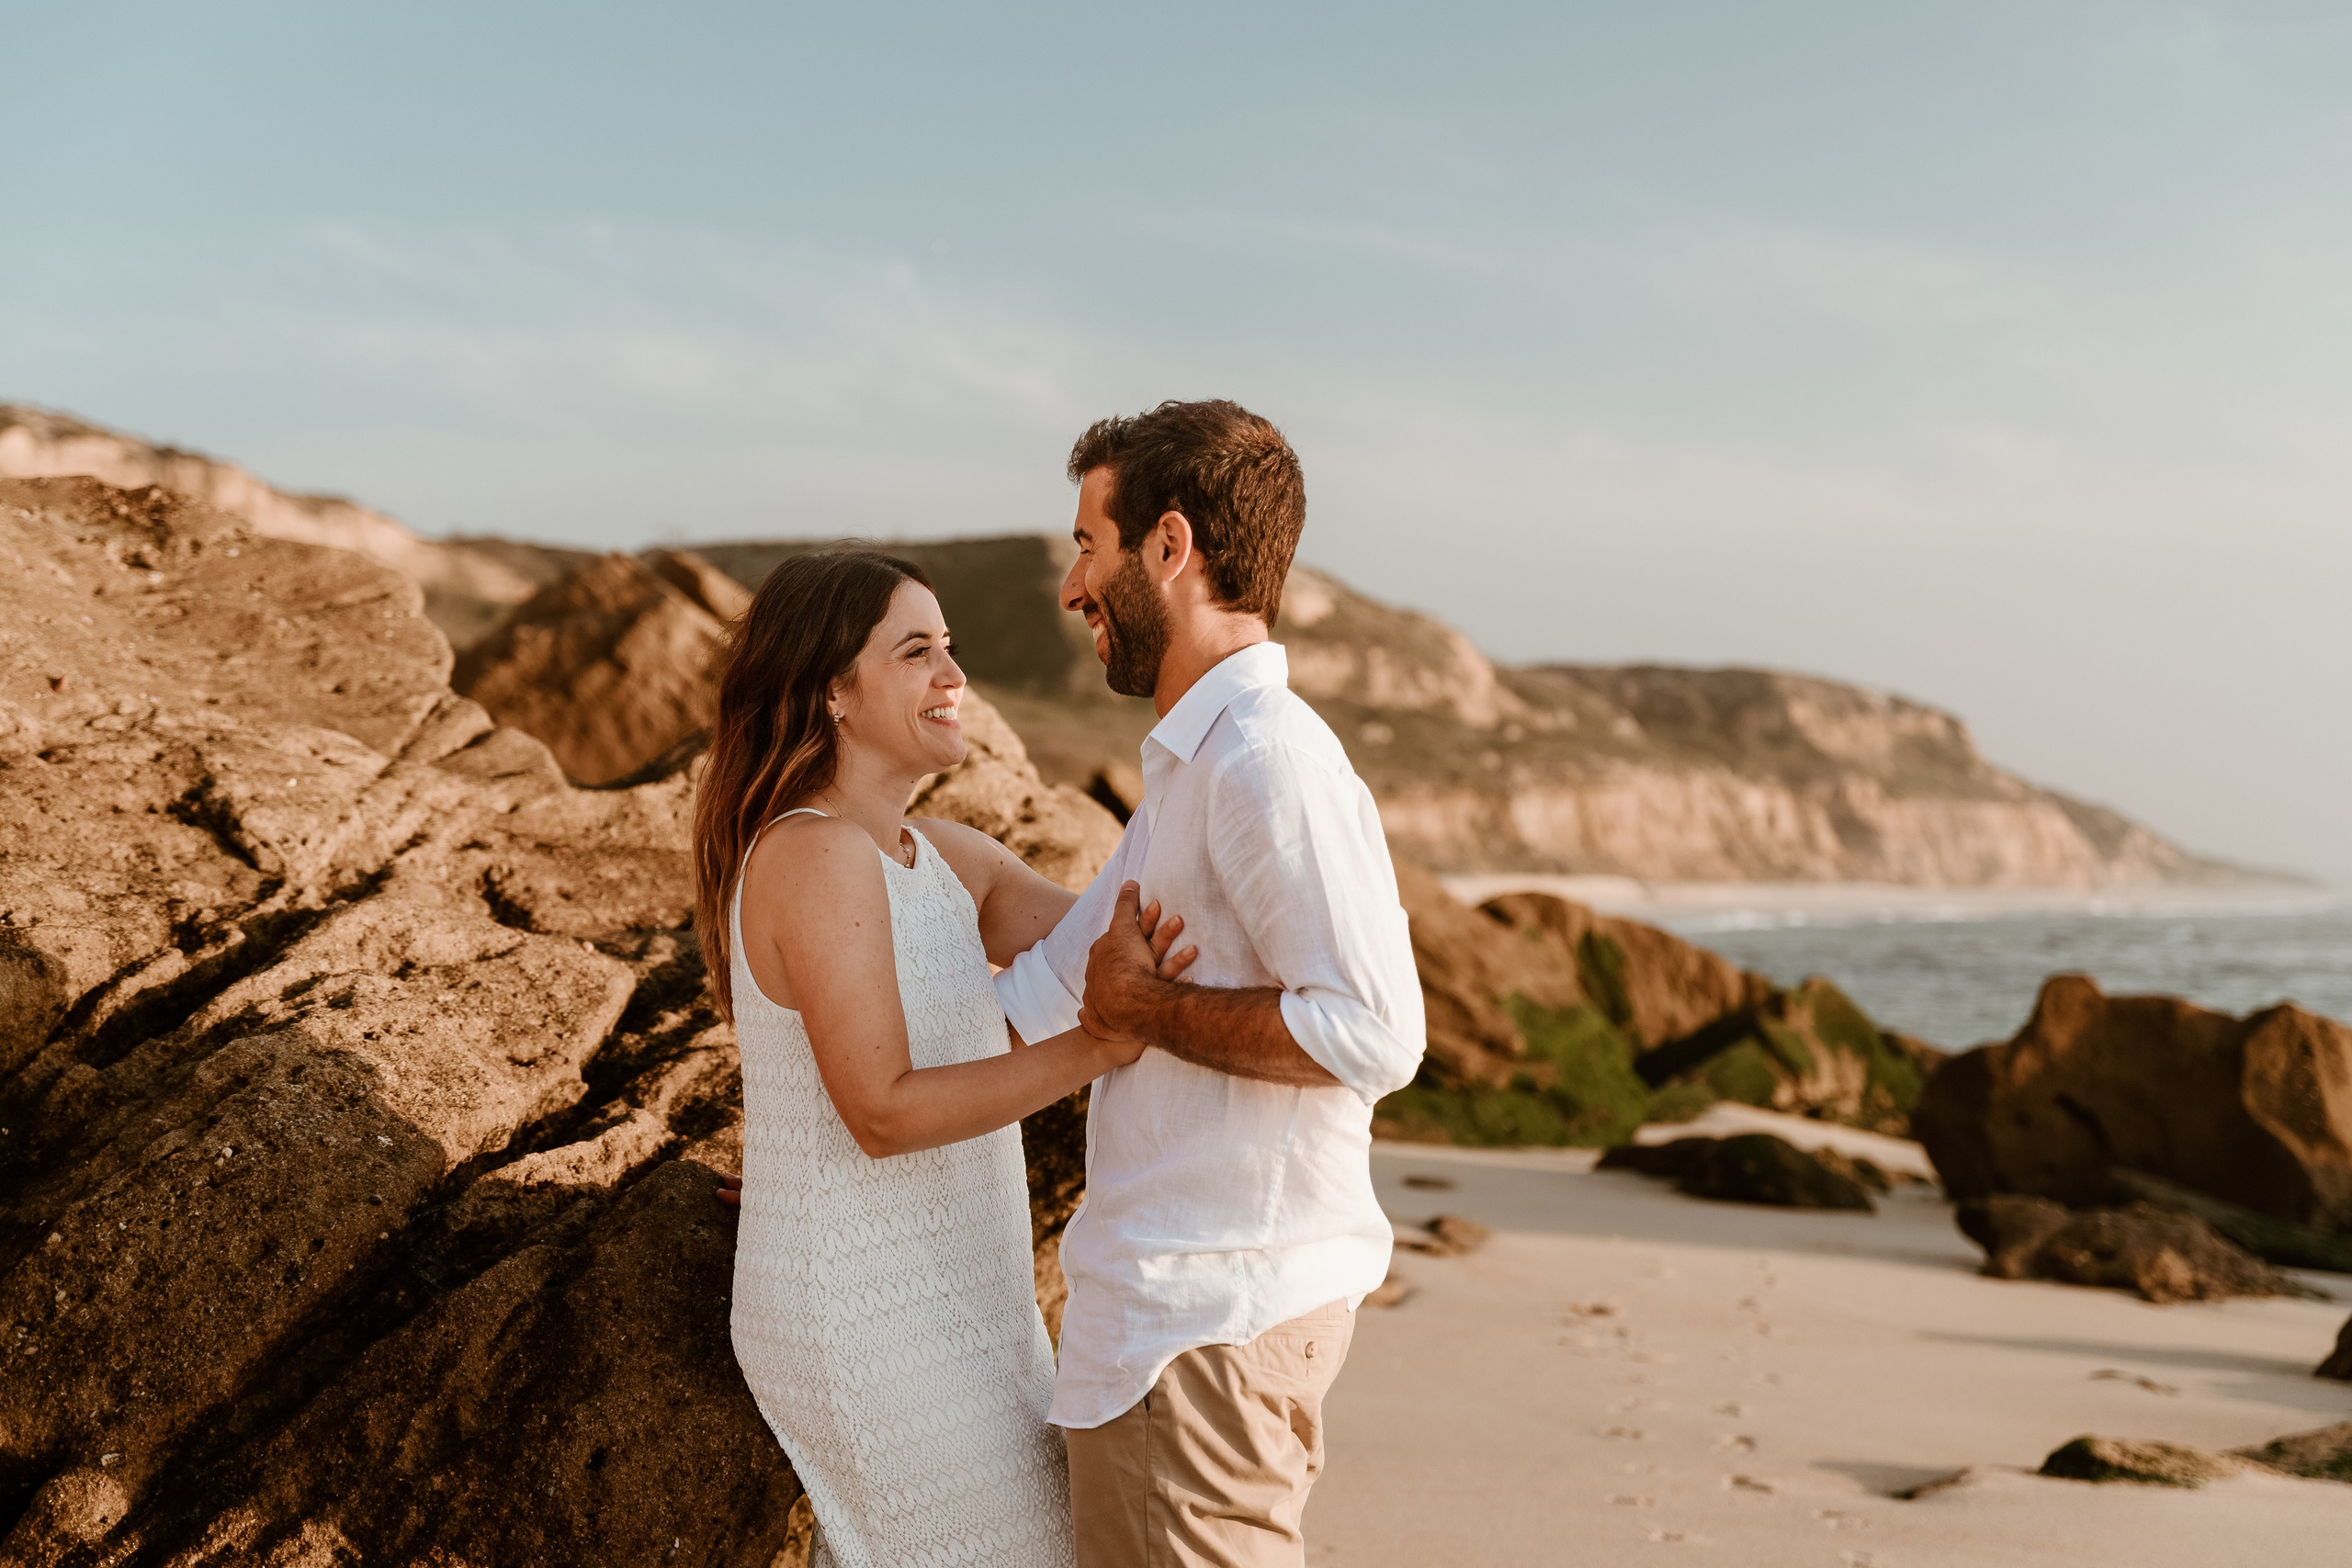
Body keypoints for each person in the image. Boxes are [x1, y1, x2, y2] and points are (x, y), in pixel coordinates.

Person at [695, 549, 1198, 1568]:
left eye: (950, 649)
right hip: (861, 1306)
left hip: (973, 1291)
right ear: (834, 691)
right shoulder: (810, 851)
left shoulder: (949, 859)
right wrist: (1097, 1044)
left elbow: (1124, 936)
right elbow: (879, 1112)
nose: (952, 676)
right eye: (916, 652)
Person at [1000, 400, 1426, 1567]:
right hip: (1167, 1332)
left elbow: (1375, 1031)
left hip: (1208, 1325)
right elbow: (1038, 998)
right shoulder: (1194, 769)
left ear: (1169, 547)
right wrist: (822, 1161)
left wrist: (1153, 1015)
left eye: (1090, 545)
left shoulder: (1265, 758)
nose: (1073, 587)